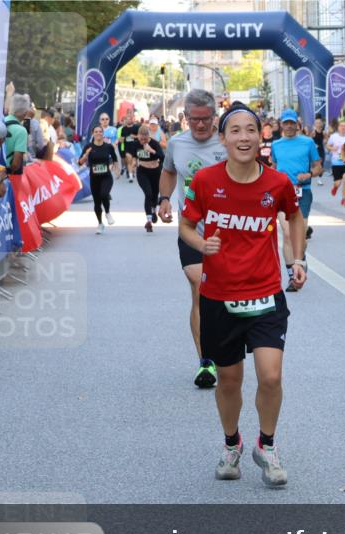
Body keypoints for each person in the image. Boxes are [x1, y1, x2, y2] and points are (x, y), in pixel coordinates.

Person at [179, 101, 306, 486]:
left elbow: (295, 216)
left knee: (271, 376)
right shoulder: (205, 181)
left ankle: (266, 445)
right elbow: (186, 226)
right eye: (235, 131)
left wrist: (298, 260)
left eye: (250, 129)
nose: (244, 137)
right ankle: (232, 442)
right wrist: (201, 245)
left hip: (266, 294)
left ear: (261, 135)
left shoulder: (277, 183)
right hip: (219, 297)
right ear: (223, 139)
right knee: (229, 380)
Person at [158, 89, 228, 389]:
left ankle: (226, 348)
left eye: (205, 119)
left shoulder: (227, 143)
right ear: (185, 117)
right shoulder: (177, 143)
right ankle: (206, 361)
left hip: (227, 233)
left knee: (224, 298)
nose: (200, 125)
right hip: (191, 230)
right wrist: (164, 198)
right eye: (193, 119)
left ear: (215, 117)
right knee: (200, 287)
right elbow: (168, 171)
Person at [271, 109, 322, 292]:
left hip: (303, 192)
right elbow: (273, 168)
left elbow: (318, 167)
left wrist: (308, 174)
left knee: (299, 233)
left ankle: (300, 258)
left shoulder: (307, 142)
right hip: (282, 193)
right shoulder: (276, 145)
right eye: (286, 123)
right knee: (287, 234)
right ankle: (293, 276)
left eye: (292, 123)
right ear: (281, 125)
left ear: (297, 124)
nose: (289, 126)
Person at [78, 125, 120, 233]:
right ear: (93, 133)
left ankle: (108, 213)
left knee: (104, 194)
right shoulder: (88, 147)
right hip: (94, 178)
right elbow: (80, 163)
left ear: (103, 133)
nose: (98, 133)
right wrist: (86, 155)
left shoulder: (108, 147)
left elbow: (115, 159)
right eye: (96, 132)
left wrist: (116, 169)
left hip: (106, 177)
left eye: (100, 131)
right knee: (97, 202)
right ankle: (100, 224)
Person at [126, 123, 165, 233]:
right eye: (141, 139)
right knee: (148, 194)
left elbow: (162, 157)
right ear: (138, 136)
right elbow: (134, 156)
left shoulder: (154, 143)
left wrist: (151, 150)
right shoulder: (135, 144)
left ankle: (153, 210)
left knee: (155, 194)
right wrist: (133, 163)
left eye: (145, 139)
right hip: (142, 172)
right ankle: (148, 221)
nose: (143, 141)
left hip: (155, 172)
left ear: (148, 136)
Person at [3, 95, 31, 175]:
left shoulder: (1, 121)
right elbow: (16, 164)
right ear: (25, 113)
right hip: (8, 173)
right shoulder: (21, 131)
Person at [327, 119, 345, 205]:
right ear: (338, 127)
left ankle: (343, 199)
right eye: (341, 126)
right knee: (338, 183)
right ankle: (335, 187)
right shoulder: (333, 136)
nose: (343, 127)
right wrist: (332, 148)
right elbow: (328, 145)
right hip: (336, 163)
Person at [118, 110, 140, 182]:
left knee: (134, 162)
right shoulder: (123, 129)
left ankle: (132, 171)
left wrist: (135, 136)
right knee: (129, 161)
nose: (129, 120)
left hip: (135, 147)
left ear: (132, 119)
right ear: (126, 120)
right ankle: (130, 177)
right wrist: (121, 139)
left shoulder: (136, 127)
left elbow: (140, 136)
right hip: (127, 147)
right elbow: (121, 139)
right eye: (127, 119)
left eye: (130, 119)